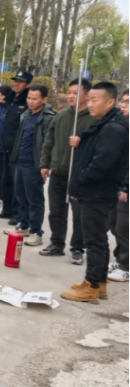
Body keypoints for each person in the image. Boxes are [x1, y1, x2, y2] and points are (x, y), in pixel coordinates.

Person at [61, 82, 129, 303]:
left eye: (94, 100)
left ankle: (90, 287)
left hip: (96, 192)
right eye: (88, 99)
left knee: (94, 241)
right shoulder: (105, 124)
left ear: (110, 102)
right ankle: (99, 283)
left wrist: (82, 179)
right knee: (98, 239)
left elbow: (102, 163)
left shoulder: (113, 129)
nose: (89, 104)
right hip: (96, 191)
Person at [38, 79, 96, 262]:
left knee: (79, 215)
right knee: (56, 211)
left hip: (80, 175)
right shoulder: (61, 115)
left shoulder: (94, 118)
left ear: (87, 95)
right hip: (58, 172)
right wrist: (45, 164)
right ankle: (57, 243)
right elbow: (49, 141)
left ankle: (77, 248)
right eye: (69, 92)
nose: (71, 96)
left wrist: (81, 143)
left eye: (75, 93)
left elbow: (99, 147)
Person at [4, 85, 55, 247]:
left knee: (34, 199)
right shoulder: (26, 114)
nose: (30, 101)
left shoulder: (48, 118)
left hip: (34, 164)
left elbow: (49, 143)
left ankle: (36, 232)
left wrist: (45, 164)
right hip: (19, 161)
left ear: (44, 99)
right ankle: (24, 225)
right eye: (29, 98)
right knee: (21, 196)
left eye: (34, 99)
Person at [0, 71, 32, 224]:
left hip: (18, 148)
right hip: (7, 146)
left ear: (28, 84)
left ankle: (17, 214)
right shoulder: (11, 100)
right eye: (15, 81)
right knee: (6, 180)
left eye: (20, 82)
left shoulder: (27, 101)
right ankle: (7, 209)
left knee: (17, 183)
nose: (16, 84)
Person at [107, 90, 129, 282]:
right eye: (123, 101)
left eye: (128, 102)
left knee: (124, 227)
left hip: (125, 188)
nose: (123, 105)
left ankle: (126, 266)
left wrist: (126, 187)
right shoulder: (122, 125)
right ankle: (120, 258)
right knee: (114, 224)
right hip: (116, 184)